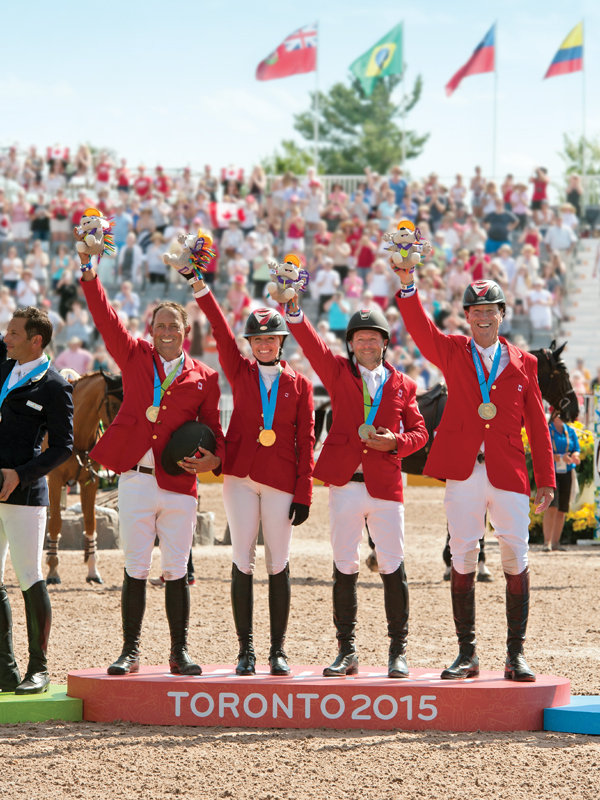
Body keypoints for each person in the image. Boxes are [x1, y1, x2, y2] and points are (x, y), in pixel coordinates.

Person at [77, 232, 225, 677]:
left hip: (180, 481)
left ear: (185, 333)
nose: (165, 332)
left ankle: (179, 652)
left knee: (177, 569)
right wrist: (90, 271)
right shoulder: (135, 356)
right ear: (151, 330)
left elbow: (214, 432)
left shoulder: (206, 376)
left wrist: (213, 460)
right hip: (137, 478)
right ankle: (130, 650)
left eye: (173, 327)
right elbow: (104, 318)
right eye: (159, 325)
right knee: (136, 567)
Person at [394, 272, 555, 682]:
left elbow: (537, 424)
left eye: (490, 310)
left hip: (509, 470)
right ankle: (467, 654)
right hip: (464, 471)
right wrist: (409, 285)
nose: (482, 317)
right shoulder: (451, 350)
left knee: (515, 558)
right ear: (466, 317)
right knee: (463, 557)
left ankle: (514, 656)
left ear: (502, 314)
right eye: (475, 311)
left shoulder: (526, 362)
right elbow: (418, 327)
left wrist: (547, 478)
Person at [285, 298, 428, 679]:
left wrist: (396, 442)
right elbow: (311, 342)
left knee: (393, 565)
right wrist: (294, 311)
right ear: (351, 343)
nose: (366, 344)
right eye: (359, 338)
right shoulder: (335, 372)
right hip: (346, 484)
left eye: (373, 338)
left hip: (386, 485)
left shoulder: (404, 384)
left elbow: (420, 433)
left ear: (384, 342)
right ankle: (346, 650)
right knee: (344, 565)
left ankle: (397, 652)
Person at [187, 266, 314, 676]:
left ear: (281, 341)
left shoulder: (301, 385)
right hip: (239, 477)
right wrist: (199, 285)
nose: (263, 345)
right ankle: (246, 650)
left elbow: (306, 442)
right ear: (252, 344)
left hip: (281, 480)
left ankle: (278, 650)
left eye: (270, 338)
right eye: (257, 339)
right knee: (242, 558)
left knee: (278, 561)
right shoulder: (239, 371)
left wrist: (305, 492)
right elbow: (221, 332)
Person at [0, 307, 74, 694]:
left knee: (29, 577)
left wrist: (21, 474)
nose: (5, 338)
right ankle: (5, 670)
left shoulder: (54, 385)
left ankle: (39, 669)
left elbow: (63, 447)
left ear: (36, 340)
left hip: (25, 495)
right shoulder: (4, 364)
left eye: (13, 333)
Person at [543, 415, 580, 552]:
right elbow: (543, 452)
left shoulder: (570, 430)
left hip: (567, 471)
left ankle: (556, 543)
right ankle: (547, 542)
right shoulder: (547, 429)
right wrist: (559, 457)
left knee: (562, 508)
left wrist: (575, 455)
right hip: (552, 471)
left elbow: (576, 448)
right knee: (552, 506)